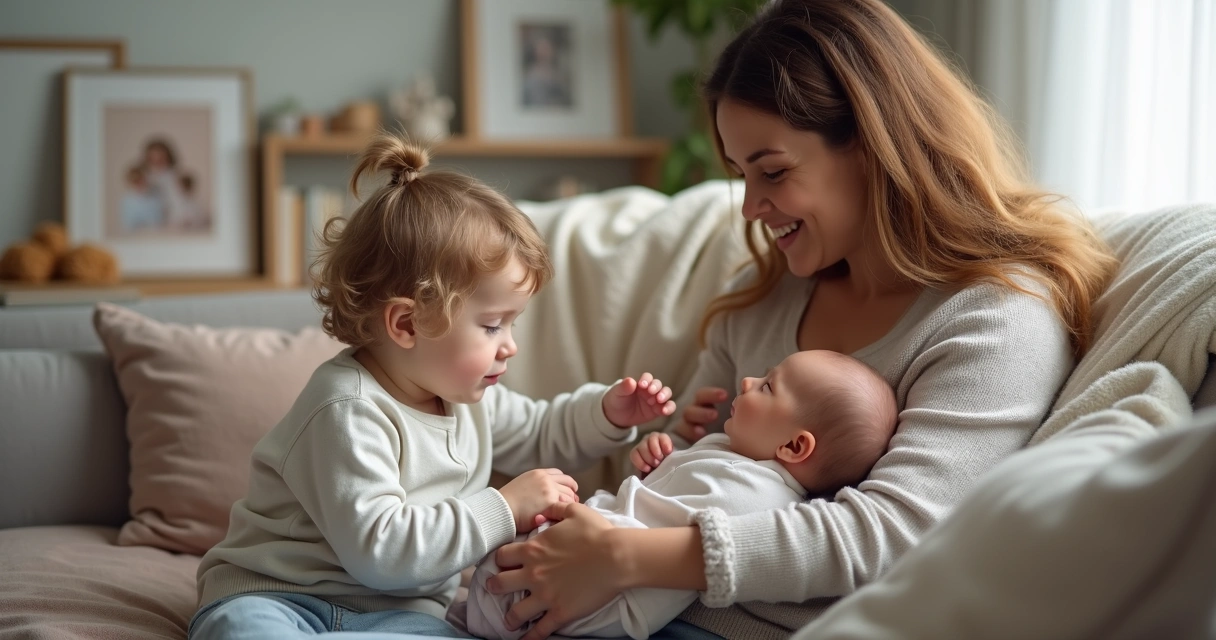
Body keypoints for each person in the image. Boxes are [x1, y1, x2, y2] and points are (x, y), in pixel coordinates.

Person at [480, 1, 1119, 638]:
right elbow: (662, 489)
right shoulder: (761, 303)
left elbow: (892, 537)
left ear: (872, 145)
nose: (751, 207)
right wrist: (682, 443)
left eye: (774, 172)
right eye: (740, 174)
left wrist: (623, 558)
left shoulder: (993, 317)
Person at [187, 132, 678, 639]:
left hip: (403, 616)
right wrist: (504, 507)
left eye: (512, 324)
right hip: (280, 596)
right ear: (406, 324)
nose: (509, 345)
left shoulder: (469, 401)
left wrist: (607, 413)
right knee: (242, 630)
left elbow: (542, 429)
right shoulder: (346, 409)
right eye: (492, 325)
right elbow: (383, 551)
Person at [463, 350, 898, 640]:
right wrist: (659, 463)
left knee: (491, 583)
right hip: (591, 551)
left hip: (593, 594)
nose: (747, 381)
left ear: (794, 447)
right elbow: (667, 502)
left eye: (768, 386)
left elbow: (660, 559)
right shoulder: (737, 454)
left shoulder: (757, 498)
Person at [118, 165, 164, 232]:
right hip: (136, 238)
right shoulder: (127, 202)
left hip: (156, 236)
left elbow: (160, 221)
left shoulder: (155, 198)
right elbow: (128, 225)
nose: (140, 184)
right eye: (136, 181)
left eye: (142, 180)